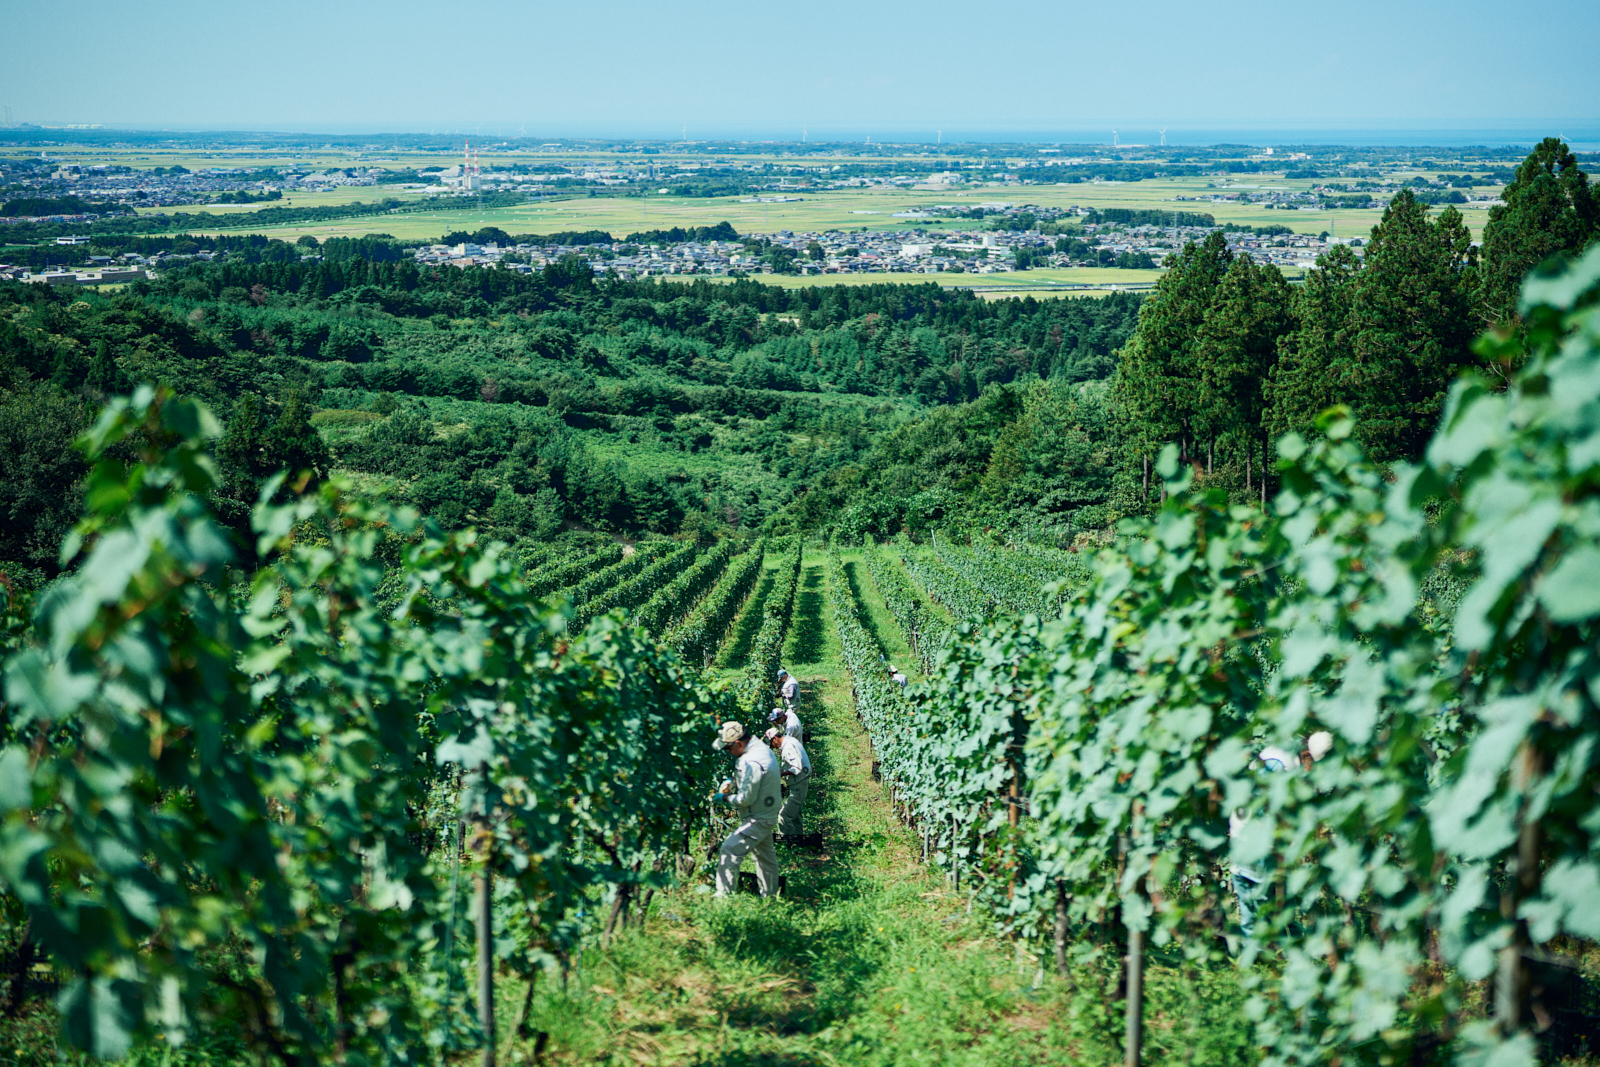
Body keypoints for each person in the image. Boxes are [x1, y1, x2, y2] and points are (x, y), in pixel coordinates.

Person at [1230, 731, 1333, 940]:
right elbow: (1261, 805)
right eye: (1314, 764)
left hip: (1250, 835)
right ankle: (1275, 953)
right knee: (1266, 904)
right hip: (1254, 838)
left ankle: (1264, 954)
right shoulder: (1279, 764)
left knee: (1260, 902)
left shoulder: (1290, 757)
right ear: (1307, 755)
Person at [711, 721, 781, 897]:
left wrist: (724, 798)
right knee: (765, 858)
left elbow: (745, 799)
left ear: (738, 743)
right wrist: (735, 781)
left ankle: (723, 900)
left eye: (728, 749)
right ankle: (771, 896)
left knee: (729, 850)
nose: (729, 753)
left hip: (758, 818)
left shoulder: (749, 761)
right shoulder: (762, 749)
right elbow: (756, 782)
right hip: (768, 813)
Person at [765, 727, 812, 837]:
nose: (774, 747)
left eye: (772, 744)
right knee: (795, 814)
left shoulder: (788, 747)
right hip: (799, 783)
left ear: (775, 738)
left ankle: (785, 843)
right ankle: (798, 840)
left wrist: (781, 773)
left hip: (798, 784)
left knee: (783, 816)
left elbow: (796, 768)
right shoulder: (790, 741)